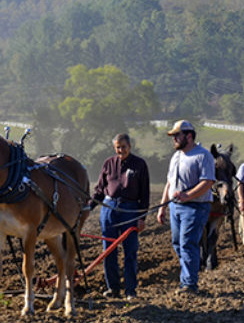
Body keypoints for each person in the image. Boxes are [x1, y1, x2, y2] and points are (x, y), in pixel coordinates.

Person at [157, 120, 215, 294]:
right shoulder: (176, 156)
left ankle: (189, 284)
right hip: (175, 206)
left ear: (189, 136)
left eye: (177, 135)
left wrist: (187, 195)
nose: (174, 139)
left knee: (187, 243)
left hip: (195, 206)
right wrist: (162, 207)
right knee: (177, 243)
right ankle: (188, 277)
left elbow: (207, 182)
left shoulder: (203, 155)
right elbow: (169, 183)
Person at [92, 133, 150, 300]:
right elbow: (100, 189)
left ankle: (130, 291)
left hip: (130, 210)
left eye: (123, 147)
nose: (120, 150)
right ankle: (113, 289)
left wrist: (142, 217)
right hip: (109, 209)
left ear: (129, 146)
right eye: (118, 147)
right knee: (108, 250)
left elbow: (144, 194)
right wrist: (89, 206)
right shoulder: (108, 163)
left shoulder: (140, 164)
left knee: (130, 251)